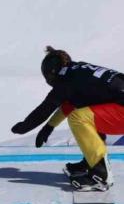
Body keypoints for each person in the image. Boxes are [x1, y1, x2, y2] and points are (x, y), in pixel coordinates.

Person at [11, 46, 124, 191]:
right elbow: (70, 103)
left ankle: (100, 174)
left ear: (51, 72)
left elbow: (45, 109)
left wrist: (24, 127)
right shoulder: (79, 71)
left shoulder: (66, 80)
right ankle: (90, 162)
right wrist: (49, 127)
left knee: (79, 118)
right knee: (87, 114)